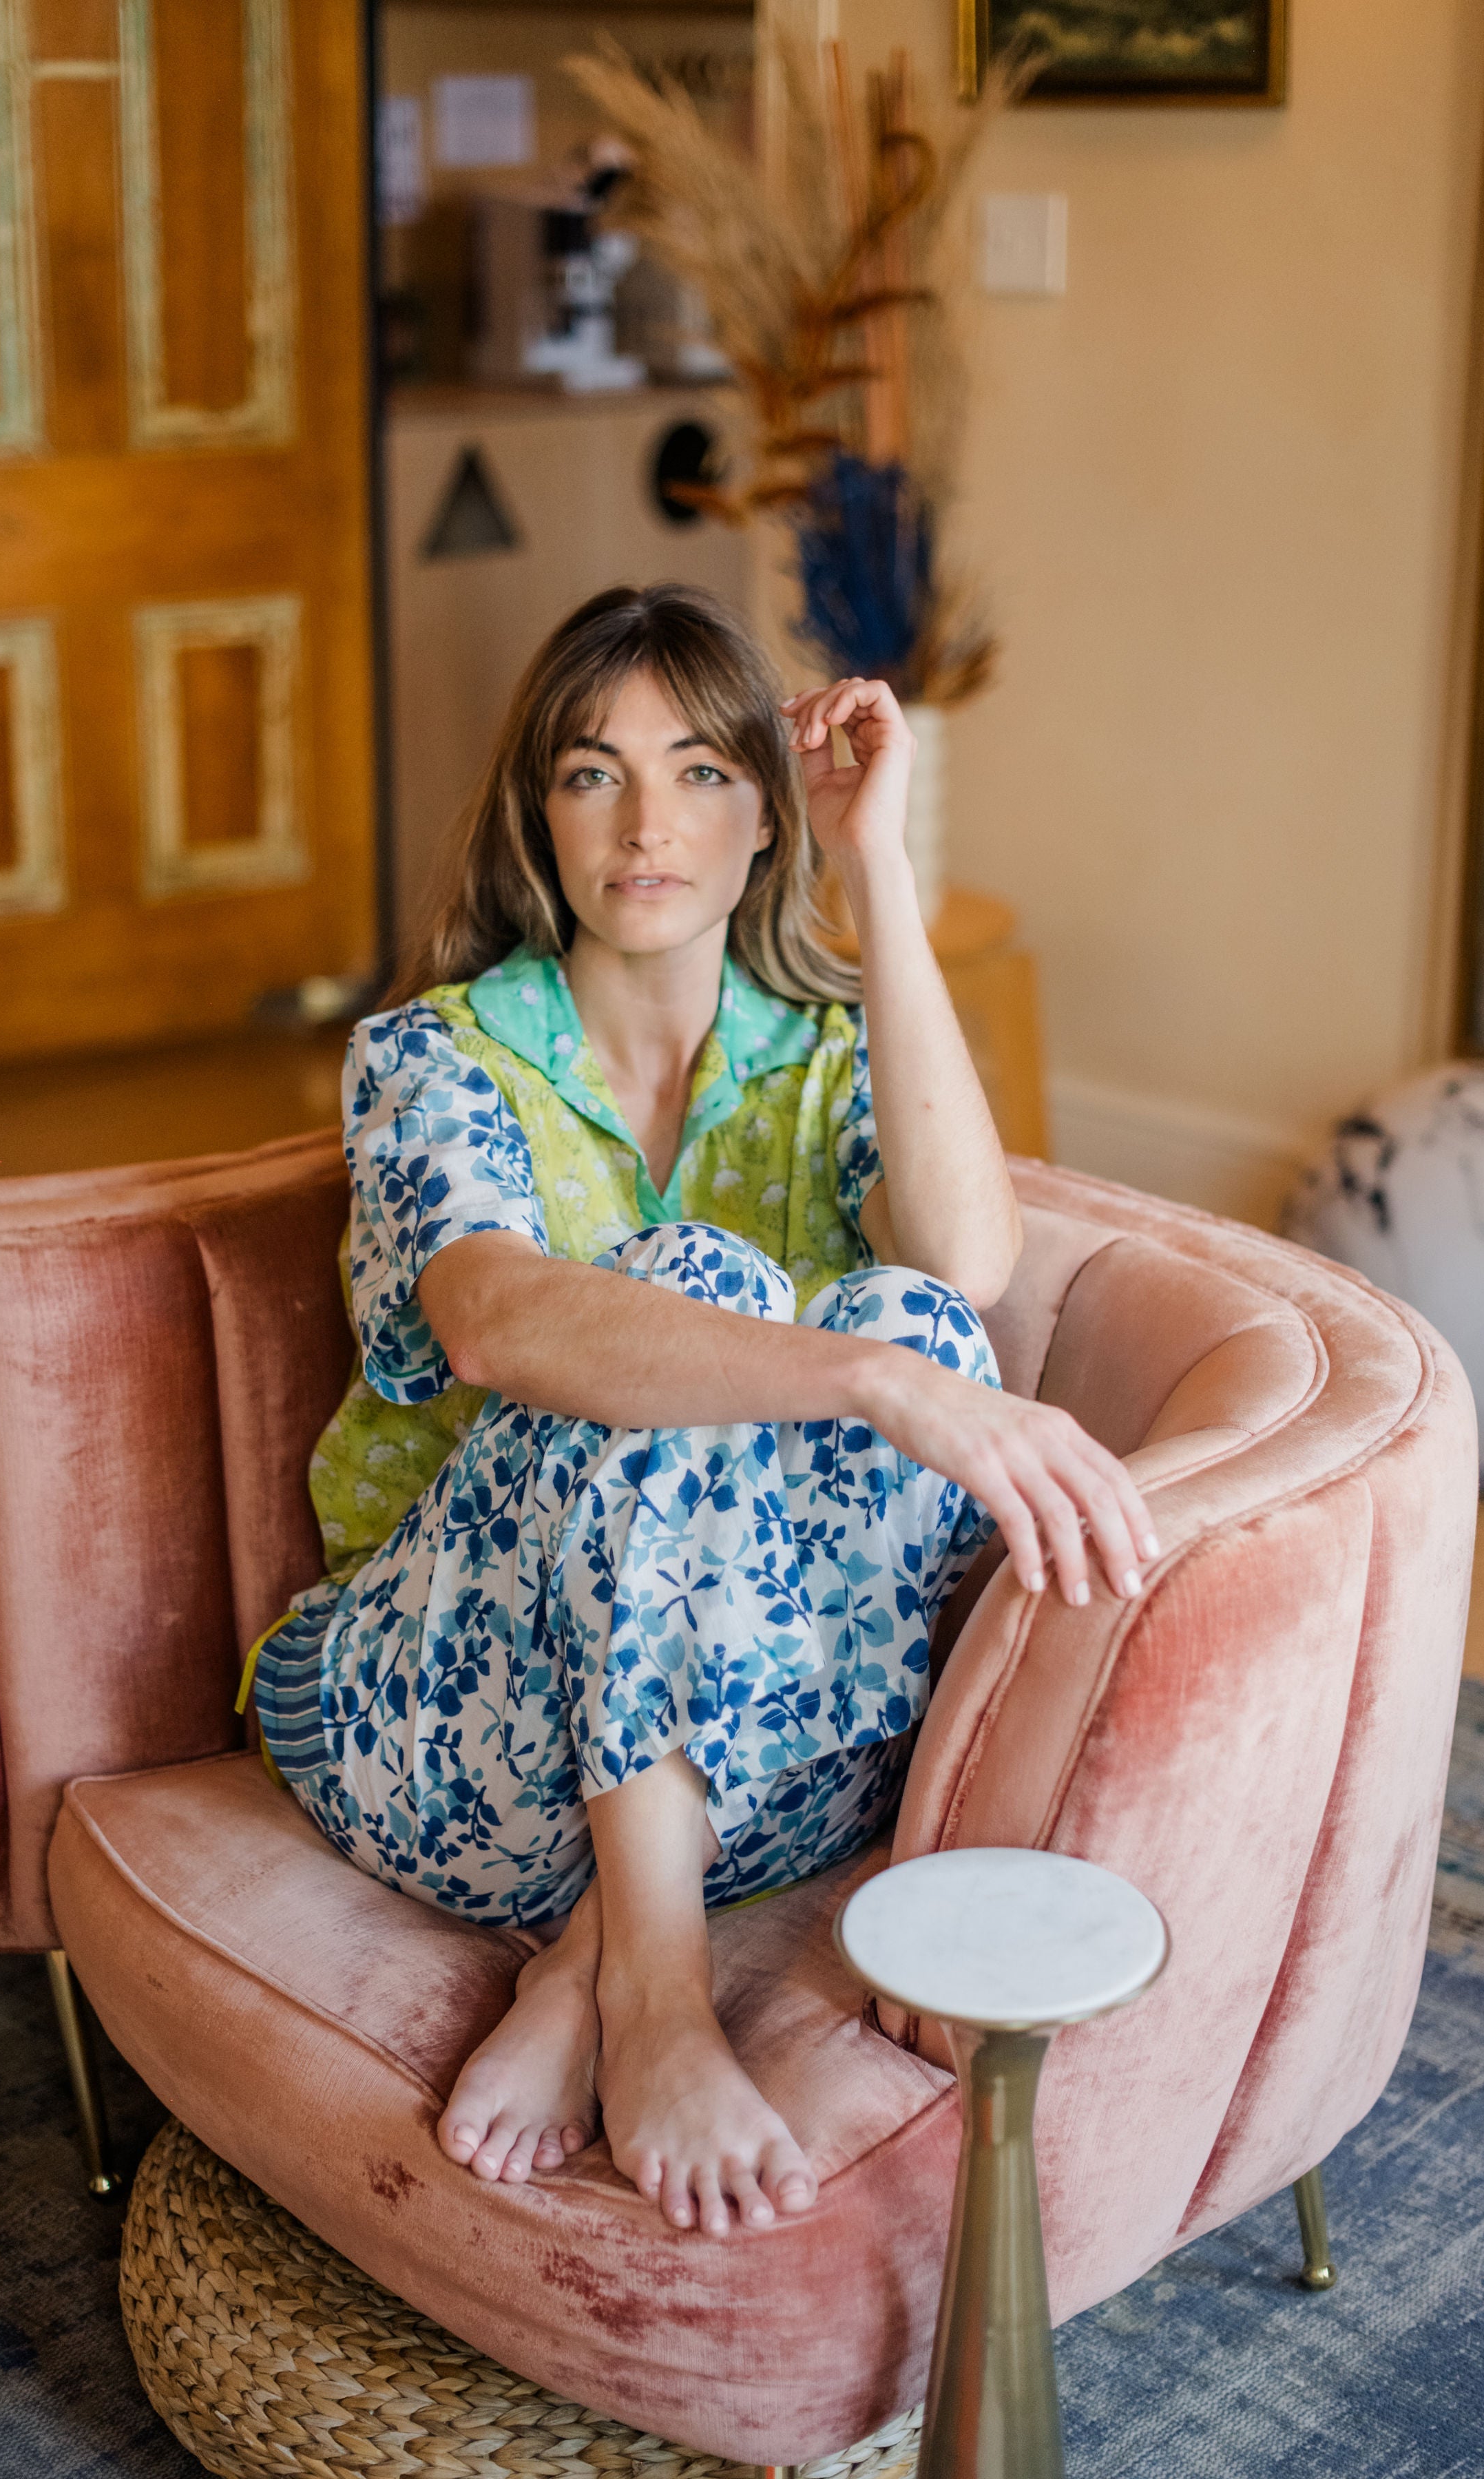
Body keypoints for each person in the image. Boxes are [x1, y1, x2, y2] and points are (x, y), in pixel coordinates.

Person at [251, 583, 1156, 2241]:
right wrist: (873, 1385)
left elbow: (963, 1252)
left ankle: (590, 1962)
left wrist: (874, 861)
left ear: (763, 820)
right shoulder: (432, 1058)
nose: (649, 821)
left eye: (703, 774)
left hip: (749, 1754)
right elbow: (497, 1314)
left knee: (907, 1296)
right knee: (713, 1290)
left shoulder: (820, 1059)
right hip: (438, 1727)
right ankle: (659, 2002)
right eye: (595, 773)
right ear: (541, 816)